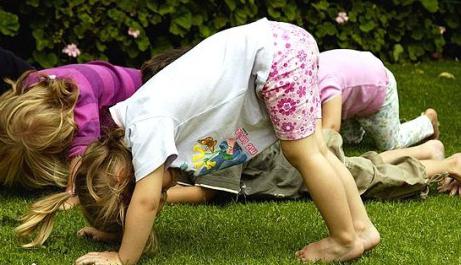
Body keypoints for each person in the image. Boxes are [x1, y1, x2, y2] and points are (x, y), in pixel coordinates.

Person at [17, 19, 379, 264]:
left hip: (274, 54)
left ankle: (344, 238)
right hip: (282, 44)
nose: (158, 200)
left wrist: (123, 258)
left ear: (120, 178)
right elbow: (142, 199)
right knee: (314, 147)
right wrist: (112, 228)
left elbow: (141, 201)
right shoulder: (135, 117)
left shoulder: (145, 126)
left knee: (303, 151)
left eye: (155, 197)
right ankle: (361, 228)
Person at [167, 129, 461, 204]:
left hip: (300, 171)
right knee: (354, 165)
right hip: (305, 150)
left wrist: (159, 196)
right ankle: (426, 150)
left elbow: (205, 193)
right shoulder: (213, 129)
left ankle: (448, 164)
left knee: (367, 178)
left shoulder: (221, 139)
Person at [318, 49, 439, 150]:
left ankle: (428, 121)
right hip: (354, 85)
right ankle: (360, 123)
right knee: (349, 140)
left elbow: (331, 128)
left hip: (377, 87)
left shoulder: (326, 84)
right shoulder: (308, 74)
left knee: (391, 145)